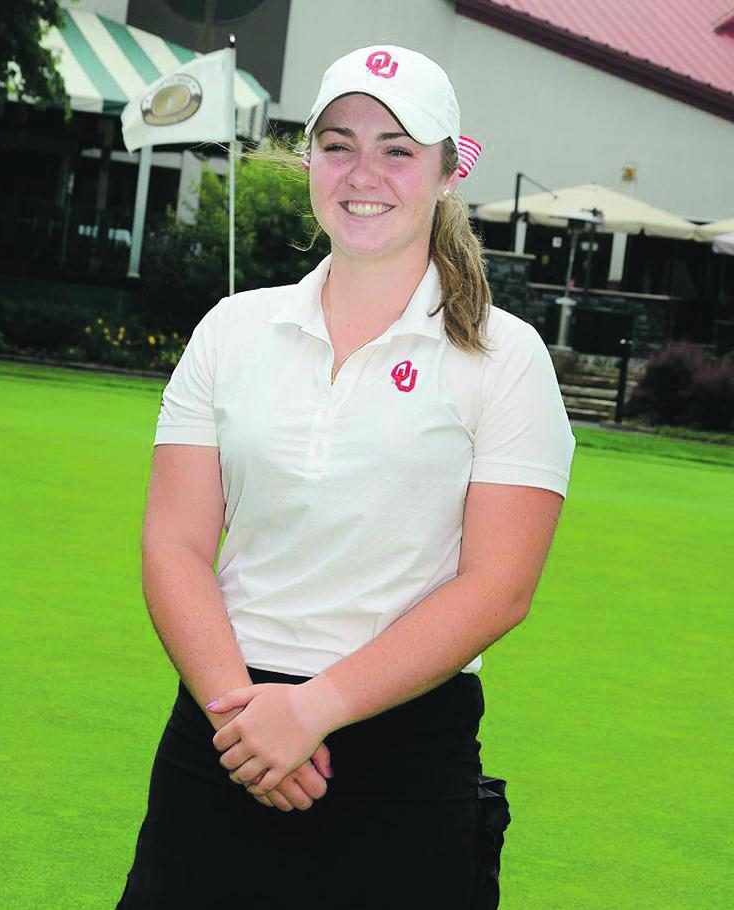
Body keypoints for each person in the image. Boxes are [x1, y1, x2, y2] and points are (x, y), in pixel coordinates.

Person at [116, 44, 576, 910]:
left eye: (398, 148)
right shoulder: (231, 328)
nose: (364, 172)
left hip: (402, 755)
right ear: (310, 161)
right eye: (338, 144)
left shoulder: (506, 356)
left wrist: (315, 710)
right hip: (225, 727)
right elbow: (174, 544)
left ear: (448, 170)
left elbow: (499, 587)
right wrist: (239, 716)